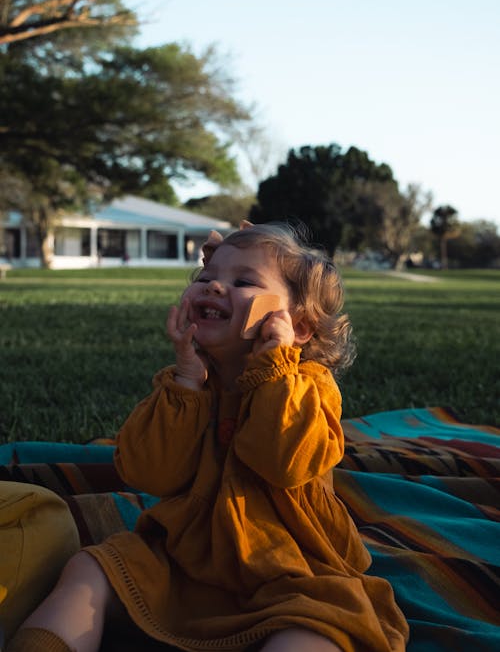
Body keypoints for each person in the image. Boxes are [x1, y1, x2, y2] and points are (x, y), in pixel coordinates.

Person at [7, 222, 409, 652]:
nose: (214, 286)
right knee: (90, 570)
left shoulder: (309, 386)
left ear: (300, 326)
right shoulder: (191, 385)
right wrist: (186, 381)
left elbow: (283, 462)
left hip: (288, 565)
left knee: (316, 626)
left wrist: (273, 367)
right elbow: (147, 473)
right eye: (206, 277)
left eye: (243, 281)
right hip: (188, 558)